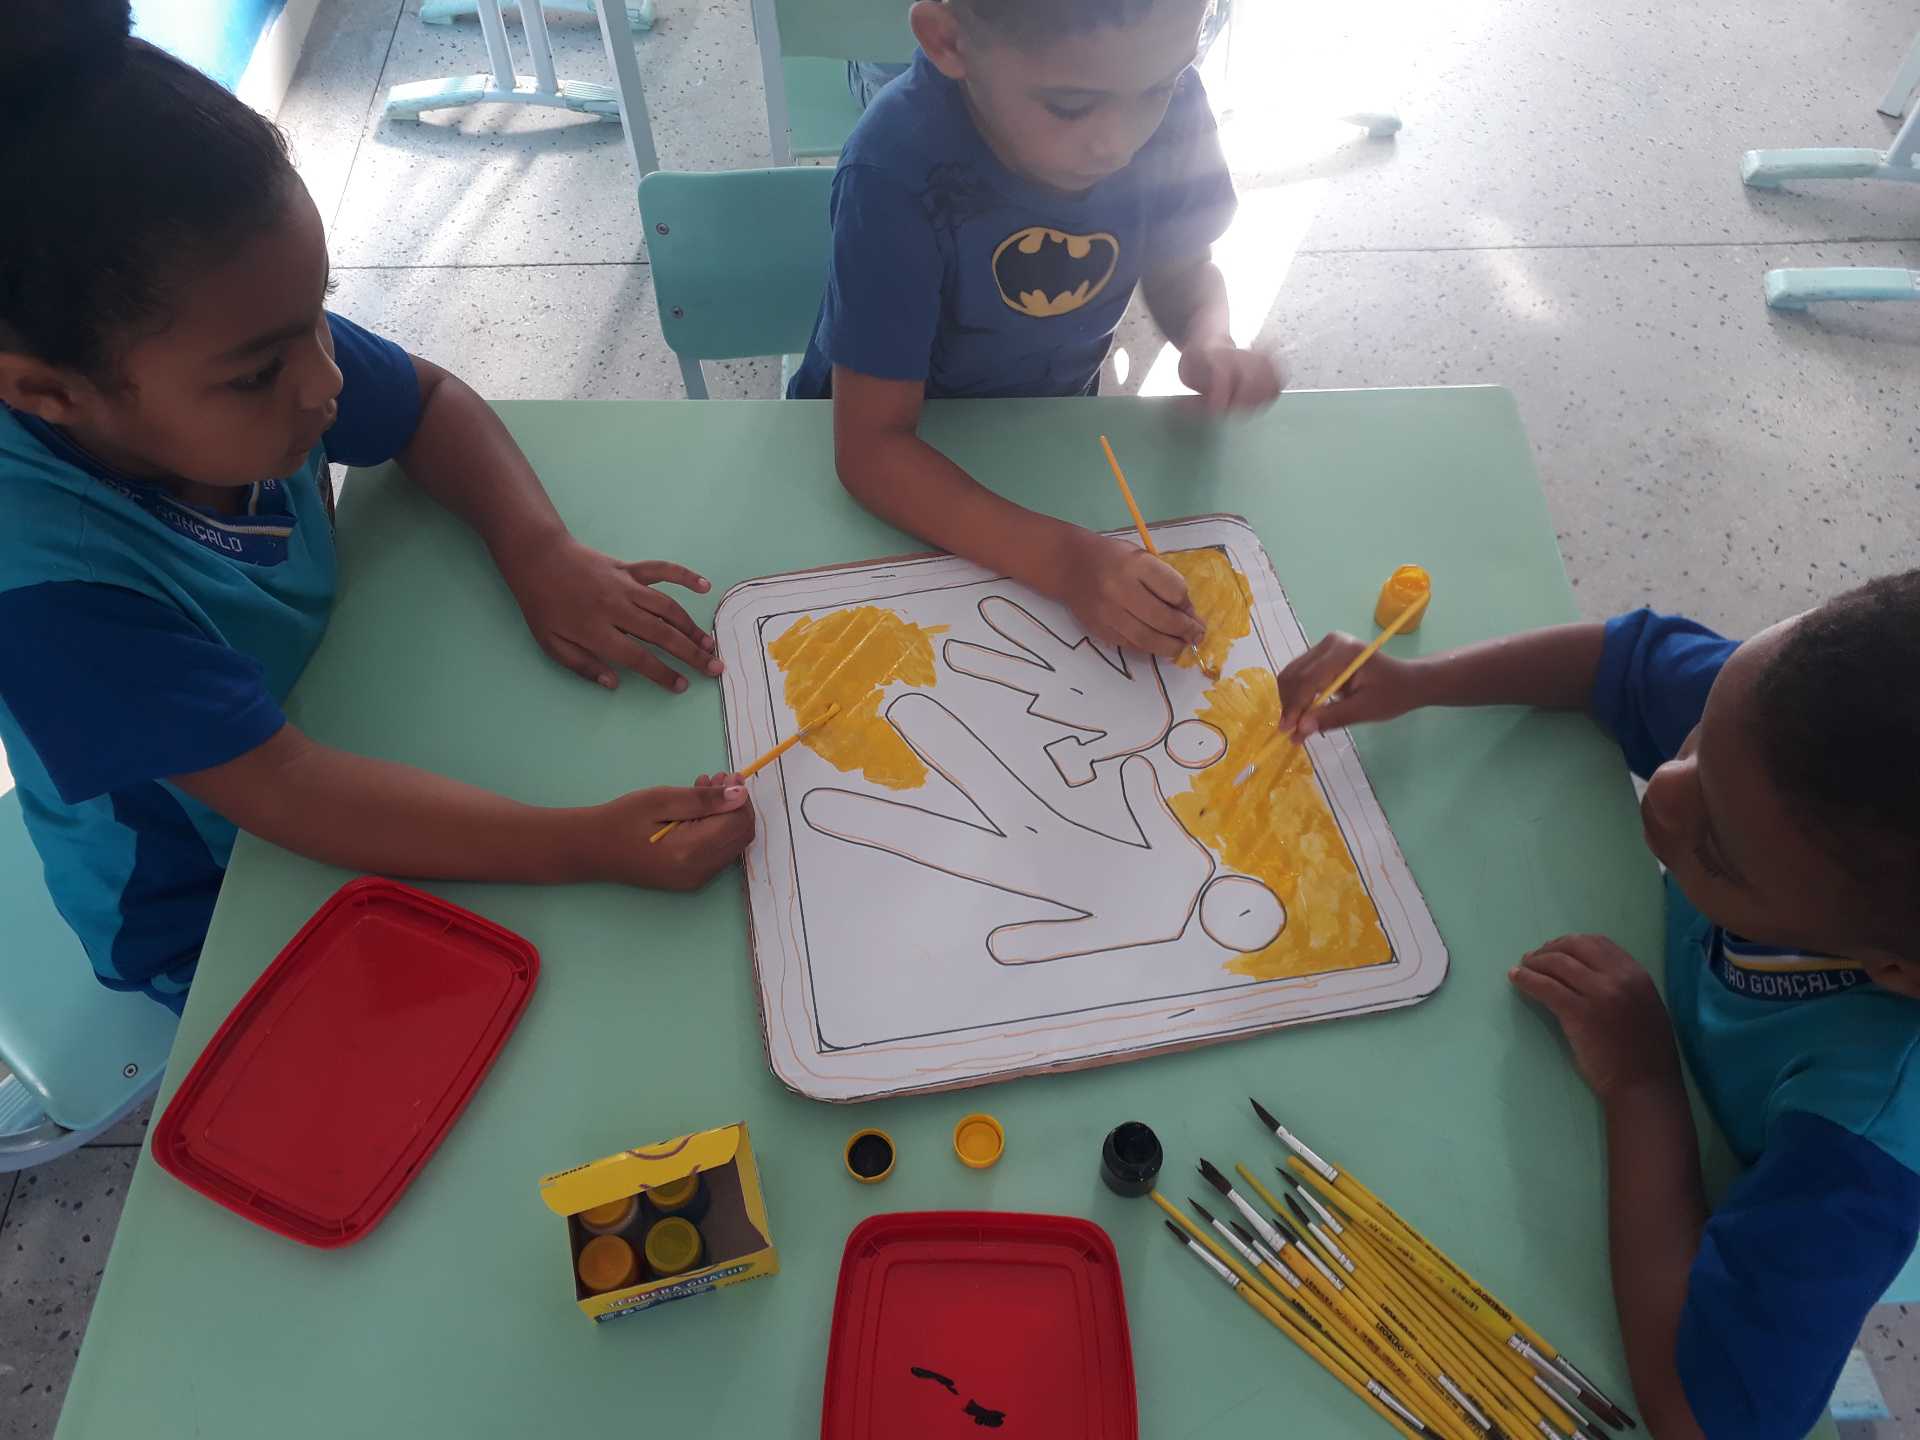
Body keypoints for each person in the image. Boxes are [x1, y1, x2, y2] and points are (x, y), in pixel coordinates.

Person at [0, 1, 753, 1013]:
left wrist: (537, 548)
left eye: (319, 315)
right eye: (260, 373)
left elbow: (428, 400)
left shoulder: (231, 335)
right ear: (48, 393)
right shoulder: (48, 599)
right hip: (213, 911)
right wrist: (583, 844)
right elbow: (292, 793)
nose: (324, 384)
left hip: (337, 718)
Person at [1274, 575, 1920, 1440]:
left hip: (1757, 1193)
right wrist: (1422, 681)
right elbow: (1622, 663)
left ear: (1893, 967)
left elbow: (1701, 1419)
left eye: (1718, 851)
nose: (1664, 790)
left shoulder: (1866, 1140)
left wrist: (1643, 1086)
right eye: (1698, 735)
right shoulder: (1782, 736)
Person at [791, 0, 1284, 663]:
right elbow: (870, 450)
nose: (1119, 143)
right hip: (899, 466)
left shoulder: (1162, 100)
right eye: (1071, 106)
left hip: (1048, 438)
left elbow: (1185, 269)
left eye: (1159, 89)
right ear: (948, 41)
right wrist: (1068, 563)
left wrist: (1208, 337)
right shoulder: (895, 168)